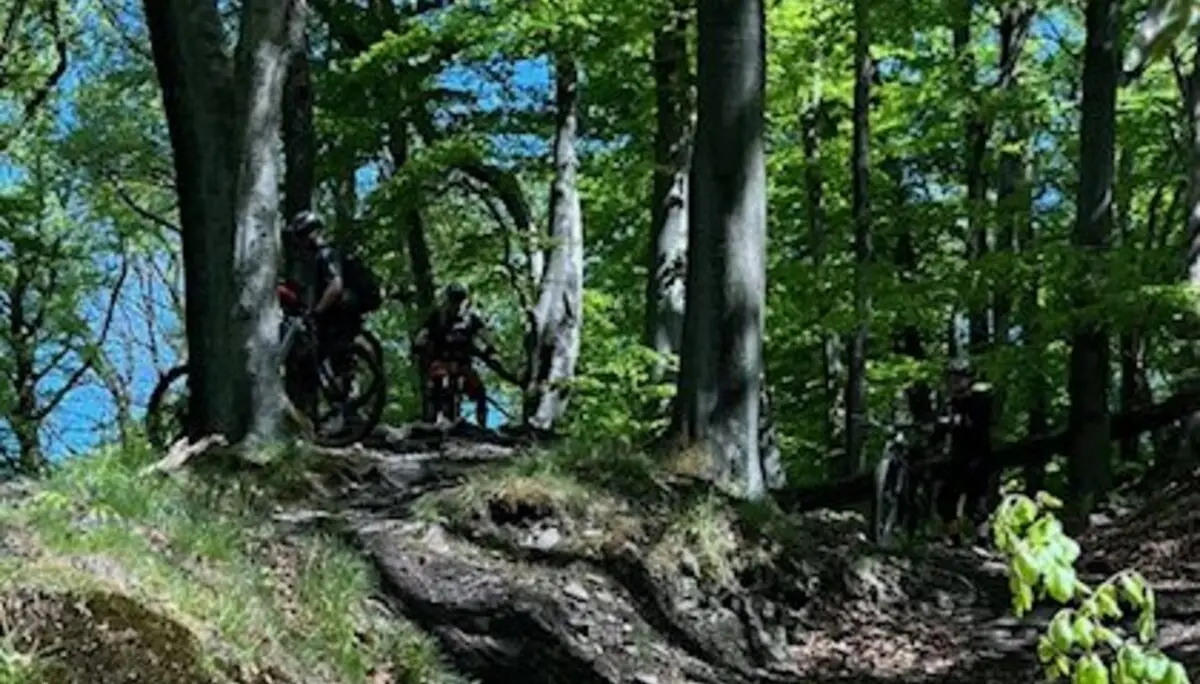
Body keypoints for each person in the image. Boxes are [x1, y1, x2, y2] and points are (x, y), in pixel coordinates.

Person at [280, 210, 363, 432]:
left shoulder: (326, 254)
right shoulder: (320, 257)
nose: (299, 243)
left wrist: (316, 312)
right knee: (324, 364)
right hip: (342, 316)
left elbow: (335, 286)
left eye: (301, 236)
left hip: (339, 317)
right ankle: (332, 417)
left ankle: (346, 417)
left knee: (328, 363)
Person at [412, 283, 498, 426]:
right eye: (453, 299)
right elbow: (424, 332)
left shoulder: (470, 319)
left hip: (463, 364)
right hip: (441, 362)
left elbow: (484, 334)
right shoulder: (438, 317)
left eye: (459, 299)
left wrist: (491, 349)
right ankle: (437, 419)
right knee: (439, 384)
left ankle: (482, 426)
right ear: (448, 300)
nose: (456, 304)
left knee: (480, 392)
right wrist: (417, 345)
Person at [932, 357, 996, 540]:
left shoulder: (980, 399)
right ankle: (954, 539)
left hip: (978, 456)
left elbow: (978, 425)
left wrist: (954, 422)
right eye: (951, 378)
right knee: (946, 500)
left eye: (959, 378)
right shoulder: (949, 403)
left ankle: (983, 541)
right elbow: (939, 430)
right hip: (957, 457)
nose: (955, 382)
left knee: (976, 502)